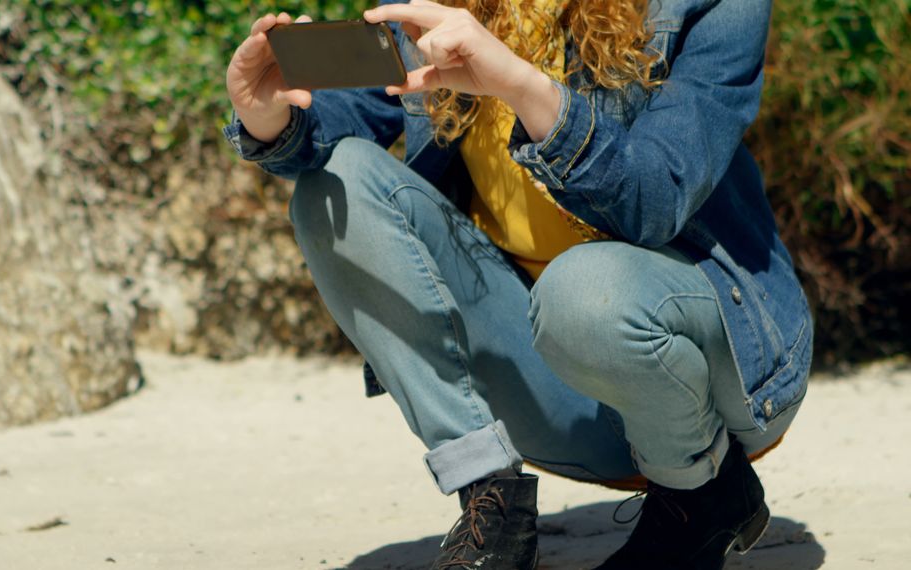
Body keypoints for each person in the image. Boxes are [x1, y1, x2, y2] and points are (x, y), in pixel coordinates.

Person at [224, 0, 813, 568]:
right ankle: (490, 502)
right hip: (554, 389)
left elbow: (653, 199)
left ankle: (702, 496)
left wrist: (519, 84)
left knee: (583, 292)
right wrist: (268, 114)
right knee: (335, 183)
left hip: (716, 375)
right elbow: (340, 123)